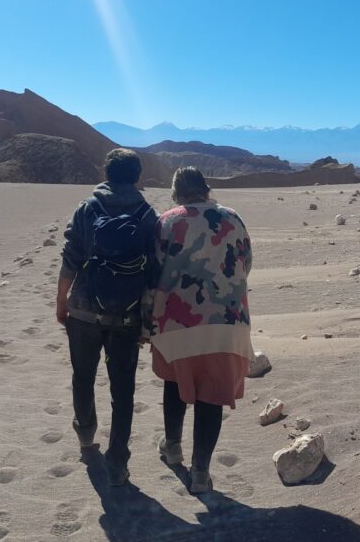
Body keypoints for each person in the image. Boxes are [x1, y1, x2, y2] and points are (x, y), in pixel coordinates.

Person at [141, 166, 253, 494]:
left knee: (176, 382)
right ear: (206, 189)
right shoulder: (233, 218)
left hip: (175, 323)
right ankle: (201, 473)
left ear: (176, 193)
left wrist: (147, 321)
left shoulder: (167, 221)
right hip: (226, 323)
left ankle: (172, 446)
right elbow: (246, 263)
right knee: (212, 395)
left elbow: (153, 272)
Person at [57, 148, 157, 486]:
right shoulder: (147, 214)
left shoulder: (87, 208)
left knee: (83, 377)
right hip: (126, 317)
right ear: (137, 176)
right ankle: (117, 461)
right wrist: (147, 320)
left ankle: (86, 436)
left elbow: (71, 256)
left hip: (84, 311)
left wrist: (62, 301)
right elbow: (153, 272)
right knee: (123, 391)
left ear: (106, 173)